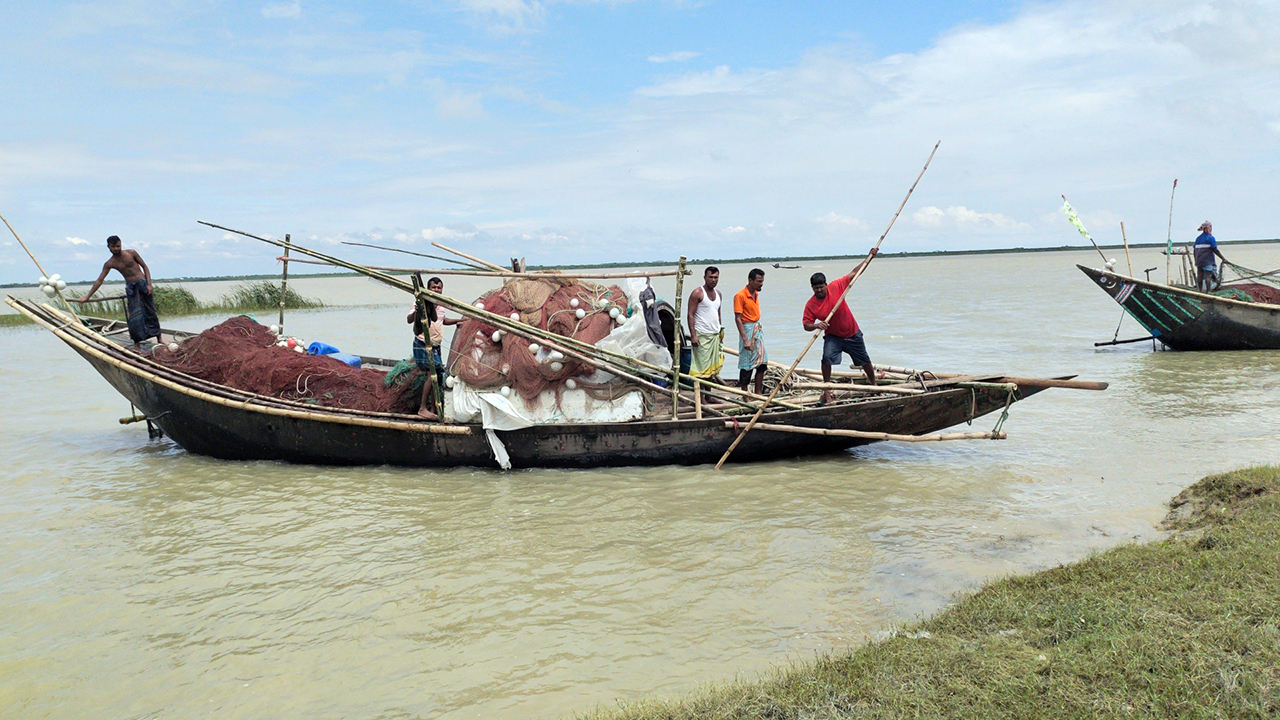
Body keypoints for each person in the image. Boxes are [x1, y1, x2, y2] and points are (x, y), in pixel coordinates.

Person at [803, 249, 878, 405]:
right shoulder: (811, 304)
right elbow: (806, 325)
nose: (818, 290)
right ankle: (827, 390)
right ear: (812, 288)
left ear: (826, 284)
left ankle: (874, 385)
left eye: (821, 287)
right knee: (826, 359)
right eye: (815, 288)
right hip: (833, 336)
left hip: (851, 332)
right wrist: (817, 325)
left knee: (864, 360)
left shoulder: (836, 286)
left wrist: (868, 258)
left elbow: (855, 273)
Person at [75, 235, 159, 353]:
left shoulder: (131, 253)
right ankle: (137, 345)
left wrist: (149, 284)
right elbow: (100, 280)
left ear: (121, 244)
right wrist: (87, 297)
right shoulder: (110, 263)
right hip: (131, 288)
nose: (116, 249)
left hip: (143, 284)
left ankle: (159, 338)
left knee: (150, 312)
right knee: (135, 317)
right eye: (113, 247)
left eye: (118, 246)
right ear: (108, 247)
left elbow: (145, 267)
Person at [406, 276, 461, 419]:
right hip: (423, 344)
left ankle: (433, 407)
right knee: (433, 373)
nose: (436, 290)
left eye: (439, 288)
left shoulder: (440, 305)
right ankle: (422, 408)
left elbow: (442, 320)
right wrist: (418, 309)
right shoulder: (420, 302)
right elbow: (409, 319)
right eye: (433, 287)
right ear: (428, 289)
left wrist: (457, 321)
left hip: (436, 345)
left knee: (438, 375)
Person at [686, 266, 724, 387]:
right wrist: (693, 336)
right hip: (702, 334)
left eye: (715, 277)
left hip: (714, 335)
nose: (713, 280)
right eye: (710, 277)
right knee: (701, 368)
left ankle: (708, 395)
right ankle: (700, 397)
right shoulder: (697, 293)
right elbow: (690, 315)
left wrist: (720, 331)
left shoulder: (718, 294)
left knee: (712, 368)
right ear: (705, 277)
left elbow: (718, 314)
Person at [734, 268, 767, 394]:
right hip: (747, 329)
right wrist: (745, 339)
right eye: (758, 281)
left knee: (762, 363)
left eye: (762, 281)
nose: (761, 284)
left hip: (757, 329)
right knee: (746, 364)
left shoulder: (756, 294)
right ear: (750, 280)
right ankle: (745, 394)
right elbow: (738, 319)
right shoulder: (740, 295)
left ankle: (758, 392)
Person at [1193, 221, 1226, 292]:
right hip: (1207, 260)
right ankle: (1208, 292)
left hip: (1199, 260)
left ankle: (1200, 291)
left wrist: (1196, 260)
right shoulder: (1210, 238)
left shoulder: (1198, 238)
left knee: (1200, 275)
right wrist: (1223, 258)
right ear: (1208, 228)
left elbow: (1194, 250)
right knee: (1208, 276)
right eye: (1210, 227)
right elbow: (1215, 249)